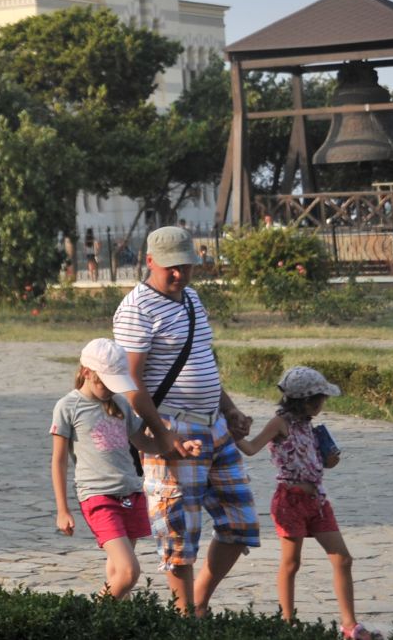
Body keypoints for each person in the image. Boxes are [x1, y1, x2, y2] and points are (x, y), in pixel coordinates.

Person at [112, 225, 260, 615]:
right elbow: (130, 382)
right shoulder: (136, 309)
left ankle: (196, 605)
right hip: (174, 428)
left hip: (215, 425)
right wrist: (164, 436)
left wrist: (228, 408)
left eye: (186, 266)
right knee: (179, 534)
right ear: (150, 262)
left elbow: (202, 361)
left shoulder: (192, 300)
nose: (179, 275)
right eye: (171, 268)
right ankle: (185, 617)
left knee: (240, 523)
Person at [50, 338, 204, 599]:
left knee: (116, 572)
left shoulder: (120, 404)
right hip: (98, 497)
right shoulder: (68, 407)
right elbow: (59, 460)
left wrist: (178, 447)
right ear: (87, 372)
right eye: (105, 383)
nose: (111, 389)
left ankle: (108, 626)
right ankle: (90, 619)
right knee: (129, 572)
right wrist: (62, 509)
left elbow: (143, 442)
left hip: (130, 494)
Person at [235, 366, 378, 639]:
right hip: (290, 501)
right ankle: (287, 623)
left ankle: (350, 625)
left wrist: (329, 461)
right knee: (291, 563)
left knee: (343, 559)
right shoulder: (280, 423)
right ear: (306, 400)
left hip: (317, 500)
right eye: (321, 398)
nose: (324, 404)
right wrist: (230, 432)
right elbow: (252, 448)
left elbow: (313, 460)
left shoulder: (309, 426)